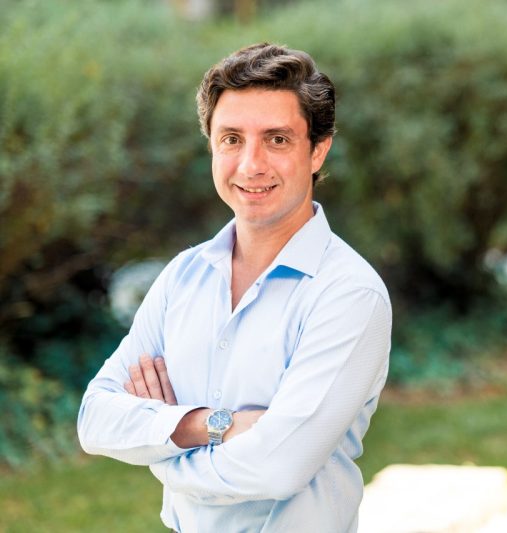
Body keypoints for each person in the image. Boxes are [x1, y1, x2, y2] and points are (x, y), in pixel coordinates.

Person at [77, 43, 392, 533]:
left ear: (318, 150)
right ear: (211, 146)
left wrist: (161, 451)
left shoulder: (348, 294)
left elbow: (279, 465)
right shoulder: (183, 276)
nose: (250, 164)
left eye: (277, 140)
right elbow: (95, 418)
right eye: (231, 139)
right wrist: (204, 425)